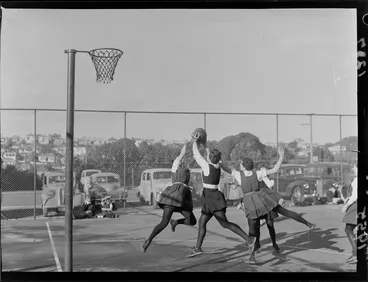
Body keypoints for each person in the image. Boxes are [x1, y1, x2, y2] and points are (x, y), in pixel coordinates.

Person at [220, 146, 315, 264]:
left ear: (244, 166)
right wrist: (281, 157)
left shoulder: (239, 175)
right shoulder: (258, 173)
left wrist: (217, 161)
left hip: (250, 202)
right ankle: (308, 223)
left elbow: (226, 168)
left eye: (241, 164)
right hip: (262, 199)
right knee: (285, 212)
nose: (239, 165)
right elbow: (275, 169)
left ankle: (252, 256)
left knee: (252, 231)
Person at [187, 135, 253, 258]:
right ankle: (197, 248)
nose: (208, 156)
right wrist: (205, 146)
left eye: (209, 156)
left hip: (212, 198)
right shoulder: (217, 165)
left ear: (211, 158)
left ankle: (249, 239)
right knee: (202, 222)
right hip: (211, 197)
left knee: (225, 223)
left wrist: (195, 141)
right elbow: (208, 154)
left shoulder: (207, 166)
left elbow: (196, 154)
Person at [141, 141, 197, 252]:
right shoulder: (178, 166)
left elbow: (189, 157)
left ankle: (151, 238)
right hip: (179, 197)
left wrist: (195, 144)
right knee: (191, 220)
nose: (183, 160)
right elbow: (183, 153)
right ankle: (150, 239)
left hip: (173, 196)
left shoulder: (182, 168)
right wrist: (192, 141)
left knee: (166, 222)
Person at [341, 163, 358, 264]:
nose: (353, 169)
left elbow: (355, 196)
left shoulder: (357, 180)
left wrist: (346, 205)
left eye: (355, 167)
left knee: (348, 229)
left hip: (357, 205)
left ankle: (356, 255)